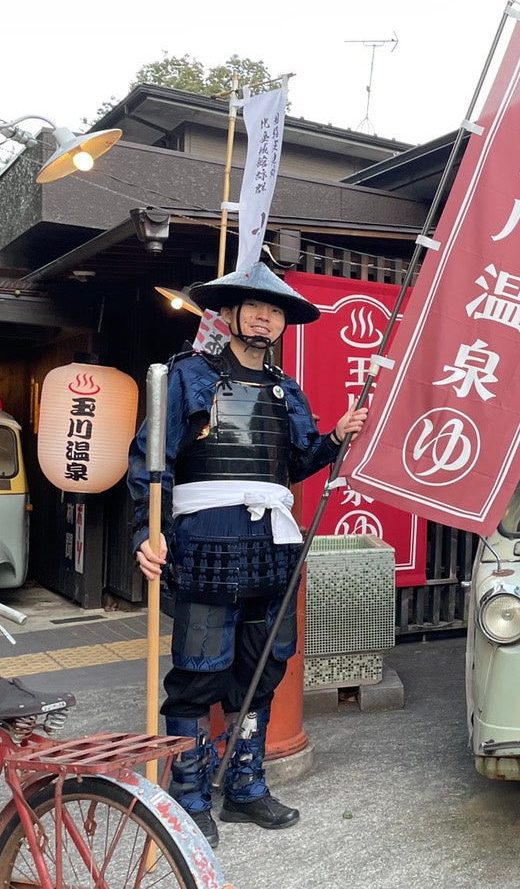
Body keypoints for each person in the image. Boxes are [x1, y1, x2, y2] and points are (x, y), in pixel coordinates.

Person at [128, 262, 367, 848]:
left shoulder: (288, 391)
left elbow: (300, 459)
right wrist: (146, 533)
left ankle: (244, 785)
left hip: (273, 547)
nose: (266, 317)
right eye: (254, 306)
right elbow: (148, 464)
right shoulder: (188, 376)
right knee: (196, 673)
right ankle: (186, 796)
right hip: (207, 541)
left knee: (261, 670)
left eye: (276, 310)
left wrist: (335, 437)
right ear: (228, 314)